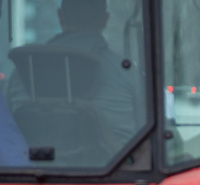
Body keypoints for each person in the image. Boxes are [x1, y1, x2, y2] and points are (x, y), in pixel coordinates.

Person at [6, 0, 142, 145]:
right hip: (114, 164)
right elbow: (145, 128)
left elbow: (6, 131)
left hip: (35, 164)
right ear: (105, 20)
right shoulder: (125, 71)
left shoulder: (23, 72)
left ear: (60, 17)